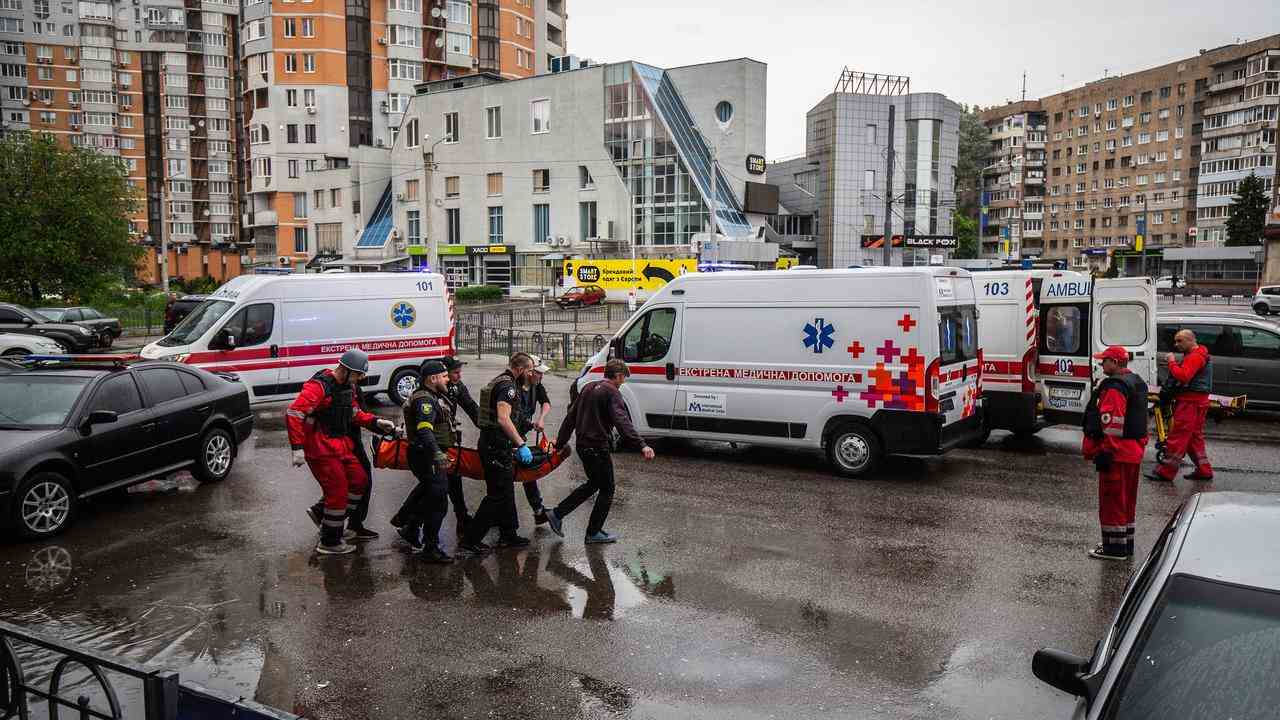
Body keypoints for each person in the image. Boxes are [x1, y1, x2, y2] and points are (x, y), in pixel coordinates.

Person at [287, 349, 395, 555]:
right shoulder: (320, 386)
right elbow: (294, 412)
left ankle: (328, 520)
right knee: (337, 490)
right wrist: (297, 448)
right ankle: (330, 541)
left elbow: (353, 412)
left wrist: (376, 422)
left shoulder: (348, 386)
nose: (360, 379)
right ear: (345, 370)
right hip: (321, 447)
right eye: (358, 374)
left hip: (340, 443)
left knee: (359, 480)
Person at [545, 359, 656, 544]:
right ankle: (593, 532)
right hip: (597, 447)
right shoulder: (612, 393)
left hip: (583, 446)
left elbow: (570, 417)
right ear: (618, 376)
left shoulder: (588, 388)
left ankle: (557, 514)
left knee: (594, 484)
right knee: (607, 488)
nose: (623, 383)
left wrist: (560, 443)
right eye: (623, 379)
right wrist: (641, 445)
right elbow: (622, 421)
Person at [458, 353, 535, 554]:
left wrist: (527, 426)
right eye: (530, 370)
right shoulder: (508, 386)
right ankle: (470, 540)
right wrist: (520, 443)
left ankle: (508, 534)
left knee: (506, 490)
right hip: (495, 447)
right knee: (497, 495)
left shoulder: (503, 381)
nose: (531, 373)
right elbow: (502, 418)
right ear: (520, 369)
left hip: (496, 446)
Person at [1082, 346, 1149, 561]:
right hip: (1133, 451)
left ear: (1116, 362)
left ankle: (1114, 549)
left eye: (1104, 361)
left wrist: (1106, 451)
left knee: (1112, 501)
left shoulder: (1115, 388)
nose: (1101, 365)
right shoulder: (1136, 382)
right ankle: (1125, 543)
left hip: (1117, 454)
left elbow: (1111, 422)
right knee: (1127, 501)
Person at [391, 360, 454, 563]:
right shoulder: (425, 400)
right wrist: (437, 454)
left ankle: (410, 527)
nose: (448, 379)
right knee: (438, 502)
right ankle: (431, 548)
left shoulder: (433, 396)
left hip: (427, 455)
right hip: (427, 456)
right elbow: (425, 430)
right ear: (433, 379)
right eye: (444, 376)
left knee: (429, 493)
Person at [1149, 328, 1214, 482]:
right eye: (1175, 341)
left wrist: (1171, 362)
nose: (1176, 344)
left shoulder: (1195, 357)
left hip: (1190, 404)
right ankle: (1204, 470)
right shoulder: (1199, 355)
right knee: (1193, 438)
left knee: (1177, 437)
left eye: (1180, 341)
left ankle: (1165, 472)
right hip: (1197, 402)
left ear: (1191, 340)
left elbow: (1184, 376)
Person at [442, 356, 480, 537]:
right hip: (435, 441)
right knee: (437, 484)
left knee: (451, 479)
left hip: (449, 439)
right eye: (455, 373)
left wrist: (488, 426)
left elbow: (472, 407)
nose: (459, 376)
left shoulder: (457, 387)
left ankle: (462, 517)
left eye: (459, 372)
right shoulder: (434, 387)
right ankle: (408, 520)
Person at [518, 355, 554, 525]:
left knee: (528, 471)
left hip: (520, 435)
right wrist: (532, 424)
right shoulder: (515, 388)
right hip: (510, 436)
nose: (542, 377)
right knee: (521, 471)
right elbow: (512, 417)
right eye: (539, 373)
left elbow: (546, 402)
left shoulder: (536, 385)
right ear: (530, 372)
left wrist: (541, 418)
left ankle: (538, 509)